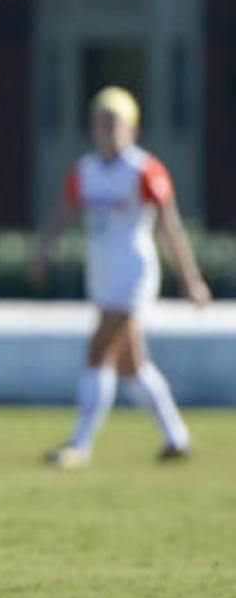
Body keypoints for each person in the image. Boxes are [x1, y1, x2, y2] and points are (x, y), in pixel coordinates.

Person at [32, 87, 210, 468]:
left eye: (115, 121)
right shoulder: (86, 170)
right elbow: (63, 214)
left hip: (132, 274)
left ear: (131, 127)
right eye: (102, 121)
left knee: (97, 354)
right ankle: (176, 438)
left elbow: (170, 227)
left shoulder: (144, 169)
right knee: (134, 367)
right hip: (102, 274)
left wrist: (190, 279)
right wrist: (44, 254)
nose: (108, 129)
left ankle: (80, 444)